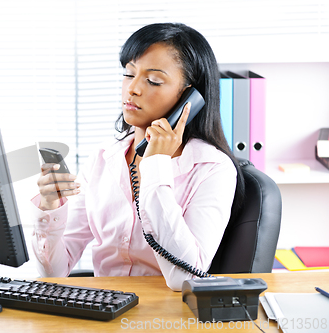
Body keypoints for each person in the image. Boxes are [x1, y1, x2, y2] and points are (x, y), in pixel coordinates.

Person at [30, 23, 244, 291]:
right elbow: (54, 271)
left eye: (153, 80)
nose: (132, 89)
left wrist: (156, 167)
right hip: (105, 310)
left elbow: (186, 277)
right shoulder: (104, 158)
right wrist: (50, 210)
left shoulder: (213, 169)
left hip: (168, 318)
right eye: (129, 74)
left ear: (191, 96)